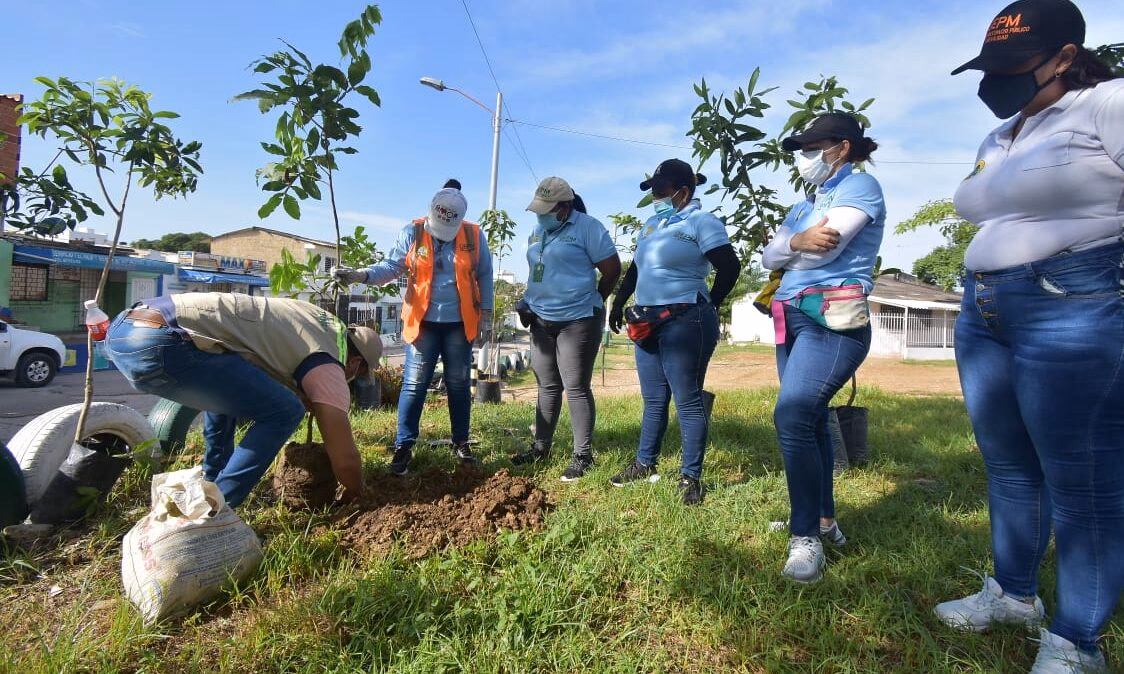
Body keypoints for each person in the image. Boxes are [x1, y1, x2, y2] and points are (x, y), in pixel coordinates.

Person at [933, 2, 1123, 671]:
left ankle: (1077, 641)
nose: (998, 80)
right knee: (1009, 463)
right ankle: (1014, 596)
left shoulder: (1107, 104)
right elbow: (977, 201)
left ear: (1066, 56)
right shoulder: (1002, 135)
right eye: (991, 67)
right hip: (984, 306)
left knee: (1083, 476)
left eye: (1013, 64)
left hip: (1072, 301)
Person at [104, 293, 381, 507]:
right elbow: (345, 458)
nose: (351, 379)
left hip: (124, 330)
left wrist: (301, 391)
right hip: (167, 340)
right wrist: (356, 491)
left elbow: (260, 357)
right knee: (285, 412)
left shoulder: (318, 322)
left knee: (226, 397)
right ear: (355, 363)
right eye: (357, 376)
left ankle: (213, 481)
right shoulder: (329, 362)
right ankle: (218, 508)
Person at [760, 111, 885, 584]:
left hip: (832, 319)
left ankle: (805, 536)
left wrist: (792, 248)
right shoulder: (804, 205)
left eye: (814, 147)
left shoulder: (861, 187)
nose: (807, 156)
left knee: (792, 414)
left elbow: (826, 250)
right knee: (809, 421)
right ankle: (824, 520)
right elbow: (769, 257)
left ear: (842, 147)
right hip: (789, 316)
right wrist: (798, 240)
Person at [333, 188, 494, 475]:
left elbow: (484, 274)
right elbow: (391, 267)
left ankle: (461, 442)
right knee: (414, 383)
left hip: (460, 323)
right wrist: (362, 275)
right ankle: (404, 445)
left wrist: (487, 315)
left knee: (458, 384)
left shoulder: (473, 235)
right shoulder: (414, 232)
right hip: (422, 323)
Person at [607, 159, 740, 505]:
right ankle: (644, 463)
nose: (656, 196)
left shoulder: (701, 222)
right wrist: (618, 302)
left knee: (687, 399)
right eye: (652, 191)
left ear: (683, 191)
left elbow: (729, 266)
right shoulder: (651, 225)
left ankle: (690, 476)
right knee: (653, 399)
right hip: (646, 320)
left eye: (661, 190)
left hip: (686, 320)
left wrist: (711, 304)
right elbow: (636, 269)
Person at [510, 177, 621, 481]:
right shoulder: (538, 231)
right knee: (547, 385)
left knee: (575, 387)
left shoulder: (588, 228)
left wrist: (595, 300)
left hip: (578, 320)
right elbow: (538, 271)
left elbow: (612, 269)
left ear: (564, 207)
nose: (540, 215)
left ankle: (583, 456)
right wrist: (527, 300)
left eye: (546, 210)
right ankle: (541, 447)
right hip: (541, 320)